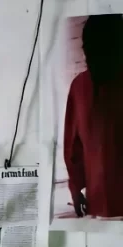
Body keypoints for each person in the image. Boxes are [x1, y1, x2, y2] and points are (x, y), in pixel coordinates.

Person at [63, 14, 123, 219]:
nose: (88, 55)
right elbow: (73, 148)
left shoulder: (80, 87)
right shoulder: (79, 87)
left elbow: (73, 149)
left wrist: (76, 188)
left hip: (98, 205)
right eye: (88, 48)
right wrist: (75, 188)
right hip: (97, 204)